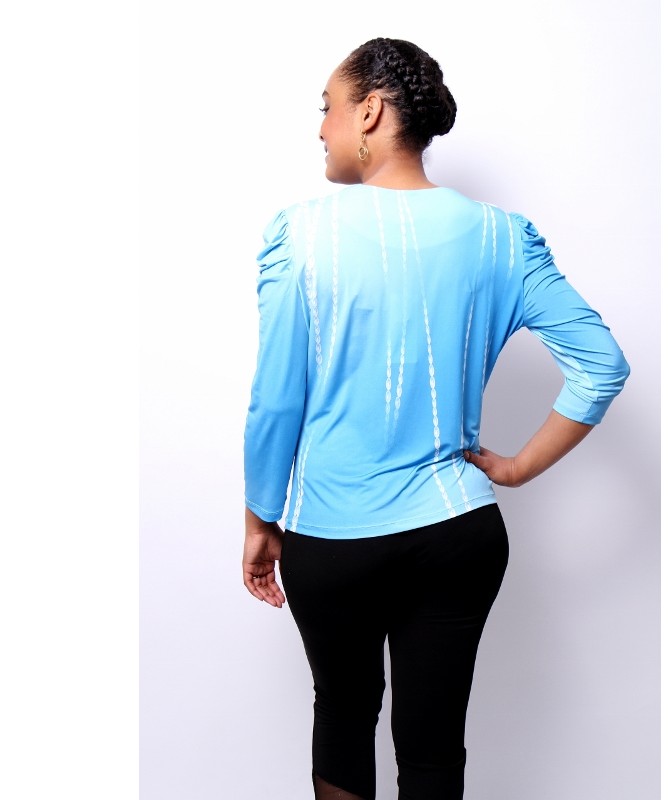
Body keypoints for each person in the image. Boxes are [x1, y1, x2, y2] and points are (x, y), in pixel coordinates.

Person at [242, 37, 630, 800]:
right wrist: (515, 468)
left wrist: (261, 516)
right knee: (433, 747)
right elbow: (602, 364)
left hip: (332, 535)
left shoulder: (303, 235)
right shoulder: (502, 238)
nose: (320, 127)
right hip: (457, 532)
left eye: (328, 107)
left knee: (343, 716)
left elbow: (276, 398)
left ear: (370, 112)